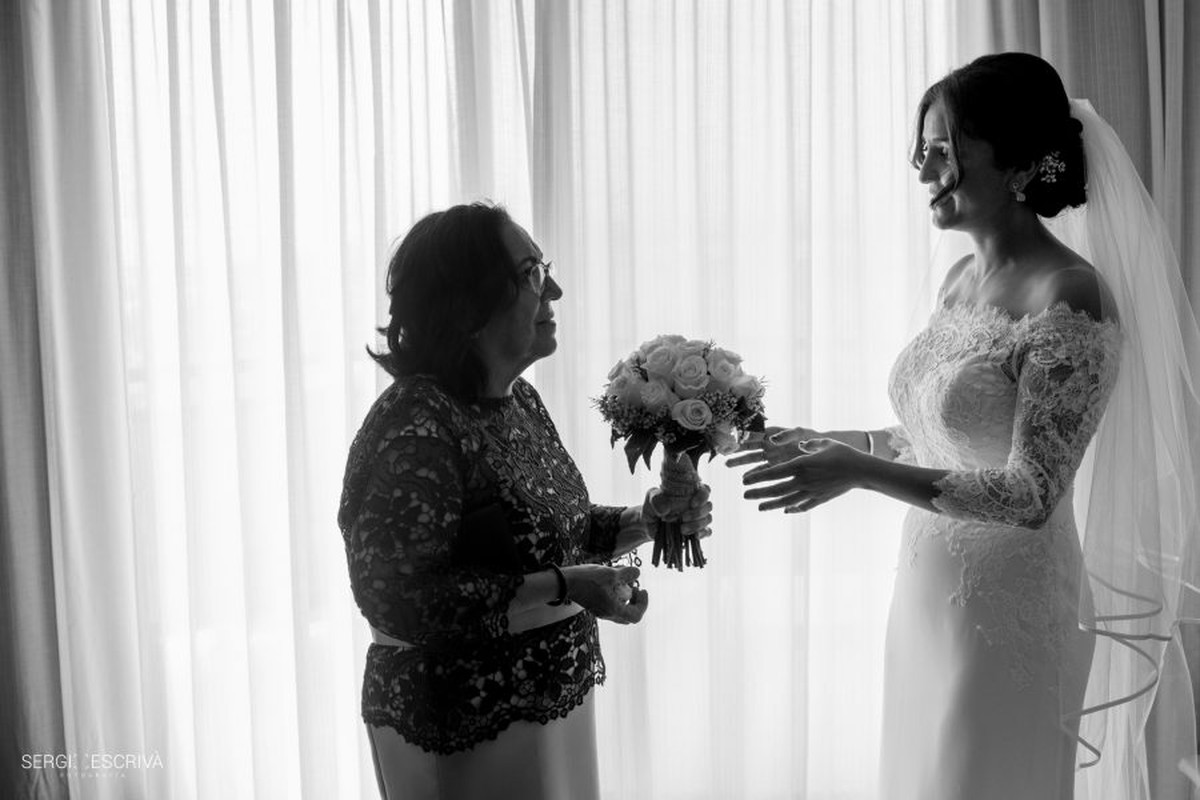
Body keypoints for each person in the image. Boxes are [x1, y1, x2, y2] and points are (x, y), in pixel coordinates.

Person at [730, 52, 1200, 799]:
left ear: (1015, 161)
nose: (922, 170)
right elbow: (927, 435)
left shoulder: (1070, 296)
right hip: (926, 598)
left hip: (1008, 615)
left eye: (943, 150)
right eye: (922, 150)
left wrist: (856, 474)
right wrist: (829, 441)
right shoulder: (958, 282)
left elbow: (1031, 491)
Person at [338, 202, 713, 800]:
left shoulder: (519, 404)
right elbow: (398, 599)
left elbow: (553, 534)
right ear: (470, 301)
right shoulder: (414, 423)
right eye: (534, 272)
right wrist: (566, 586)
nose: (556, 289)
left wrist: (648, 519)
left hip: (550, 708)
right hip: (463, 727)